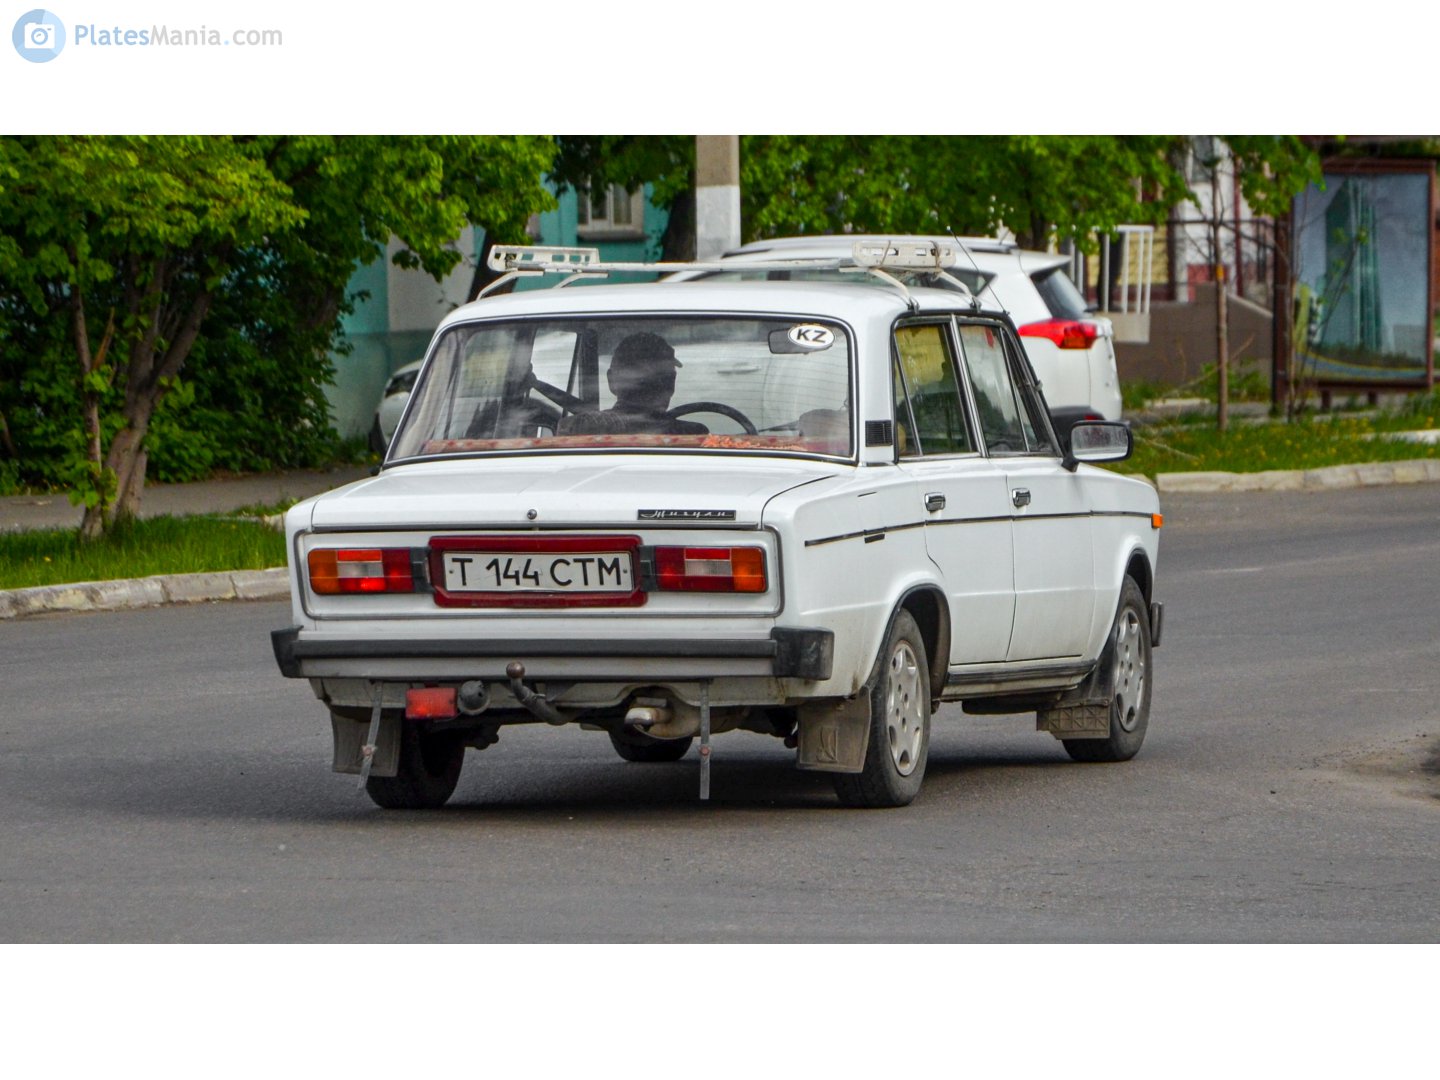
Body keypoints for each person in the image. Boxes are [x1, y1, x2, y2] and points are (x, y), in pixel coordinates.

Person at [559, 331, 707, 436]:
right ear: (669, 386)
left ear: (611, 381)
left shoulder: (575, 429)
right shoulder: (692, 434)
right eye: (668, 378)